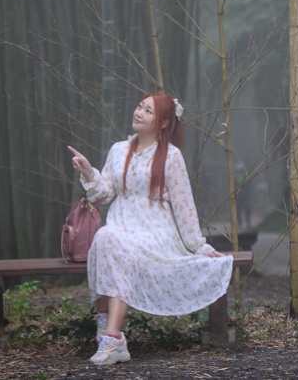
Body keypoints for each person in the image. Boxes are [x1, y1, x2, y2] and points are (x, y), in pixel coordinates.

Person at [69, 92, 234, 366]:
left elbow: (184, 207)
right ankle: (110, 332)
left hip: (155, 230)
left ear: (162, 123)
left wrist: (201, 246)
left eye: (148, 111)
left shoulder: (171, 156)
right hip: (121, 224)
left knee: (112, 242)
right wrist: (89, 173)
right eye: (139, 106)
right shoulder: (118, 149)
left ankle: (111, 336)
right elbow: (102, 196)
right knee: (105, 237)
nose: (139, 113)